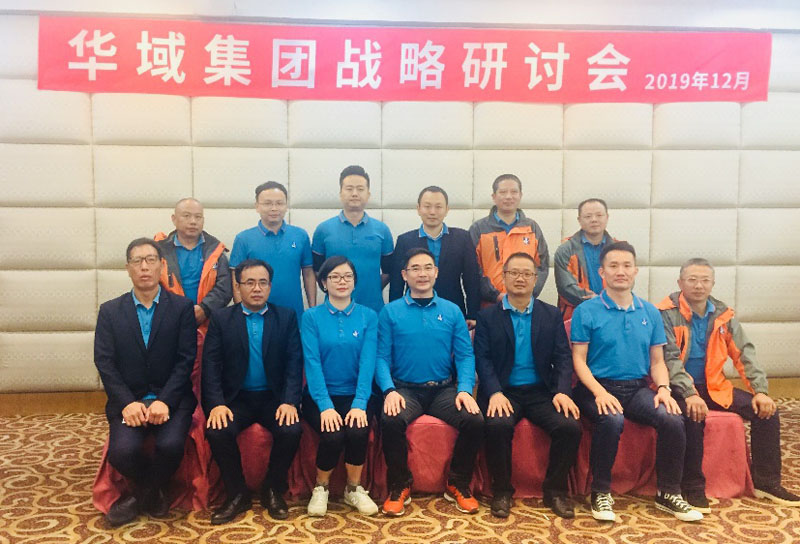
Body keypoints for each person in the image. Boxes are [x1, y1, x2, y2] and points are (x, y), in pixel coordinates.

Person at [571, 241, 702, 523]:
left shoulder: (650, 312)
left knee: (671, 417)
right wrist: (599, 392)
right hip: (595, 387)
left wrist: (664, 389)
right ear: (602, 272)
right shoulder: (586, 310)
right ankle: (600, 491)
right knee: (612, 419)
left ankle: (669, 493)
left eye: (626, 265)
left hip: (636, 388)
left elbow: (657, 361)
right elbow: (579, 360)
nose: (621, 271)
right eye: (613, 266)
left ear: (635, 270)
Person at [657, 257, 800, 511]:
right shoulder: (665, 313)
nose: (698, 285)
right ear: (680, 282)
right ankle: (693, 487)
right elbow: (669, 359)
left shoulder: (723, 315)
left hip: (714, 387)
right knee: (693, 416)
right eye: (692, 280)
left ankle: (767, 482)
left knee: (767, 412)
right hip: (678, 388)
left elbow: (745, 354)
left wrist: (760, 391)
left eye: (705, 280)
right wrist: (689, 393)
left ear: (712, 284)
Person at [94, 238, 197, 527]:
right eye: (137, 261)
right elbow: (105, 362)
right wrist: (126, 403)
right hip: (130, 399)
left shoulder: (181, 308)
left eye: (150, 260)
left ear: (162, 266)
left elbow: (185, 359)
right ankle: (153, 492)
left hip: (172, 399)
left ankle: (138, 498)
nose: (144, 267)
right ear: (128, 268)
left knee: (171, 445)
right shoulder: (110, 311)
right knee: (121, 453)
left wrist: (165, 400)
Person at [376, 248, 484, 516]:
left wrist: (465, 390)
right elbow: (381, 357)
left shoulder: (452, 311)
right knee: (390, 419)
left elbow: (465, 355)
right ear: (404, 275)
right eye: (415, 268)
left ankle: (457, 482)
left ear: (436, 272)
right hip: (404, 389)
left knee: (474, 420)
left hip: (443, 390)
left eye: (427, 267)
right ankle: (400, 484)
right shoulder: (390, 312)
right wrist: (389, 390)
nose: (422, 274)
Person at [474, 252, 582, 519]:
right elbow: (482, 359)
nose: (520, 278)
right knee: (497, 425)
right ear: (504, 277)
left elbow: (562, 357)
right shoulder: (487, 317)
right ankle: (502, 491)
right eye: (514, 273)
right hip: (503, 391)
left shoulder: (550, 314)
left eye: (526, 273)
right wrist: (494, 392)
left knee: (569, 426)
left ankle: (555, 491)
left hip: (541, 392)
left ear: (535, 279)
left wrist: (562, 392)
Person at [202, 259, 303, 524]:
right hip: (236, 399)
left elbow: (294, 363)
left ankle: (273, 488)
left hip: (273, 398)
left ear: (270, 287)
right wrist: (217, 404)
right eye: (249, 283)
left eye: (262, 283)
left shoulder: (286, 317)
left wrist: (290, 401)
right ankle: (237, 493)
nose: (256, 288)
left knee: (291, 429)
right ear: (238, 287)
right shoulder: (222, 319)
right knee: (217, 431)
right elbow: (210, 366)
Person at [302, 256, 379, 517]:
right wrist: (325, 406)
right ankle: (321, 487)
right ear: (324, 283)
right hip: (319, 395)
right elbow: (312, 364)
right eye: (334, 277)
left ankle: (353, 489)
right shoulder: (311, 317)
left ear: (355, 282)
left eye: (347, 276)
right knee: (332, 434)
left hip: (356, 394)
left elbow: (368, 363)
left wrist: (360, 403)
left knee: (357, 430)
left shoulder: (368, 316)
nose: (341, 281)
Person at [155, 198, 232, 393]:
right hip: (170, 322)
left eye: (198, 217)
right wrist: (177, 313)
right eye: (186, 216)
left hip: (208, 322)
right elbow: (152, 285)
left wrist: (204, 309)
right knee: (172, 373)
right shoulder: (158, 250)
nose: (193, 221)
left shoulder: (216, 250)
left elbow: (225, 287)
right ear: (174, 219)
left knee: (208, 375)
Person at [389, 186, 481, 328]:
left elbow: (471, 278)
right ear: (418, 209)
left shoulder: (462, 238)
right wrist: (393, 313)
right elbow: (397, 282)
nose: (432, 212)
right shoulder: (405, 240)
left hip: (453, 309)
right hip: (413, 310)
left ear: (447, 209)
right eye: (427, 206)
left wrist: (473, 314)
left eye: (438, 207)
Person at [312, 165, 393, 313]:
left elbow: (388, 272)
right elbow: (317, 272)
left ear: (368, 194)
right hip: (334, 311)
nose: (355, 193)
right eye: (349, 189)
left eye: (360, 189)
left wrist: (370, 288)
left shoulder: (382, 230)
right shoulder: (323, 230)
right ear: (340, 193)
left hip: (373, 309)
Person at [230, 181, 316, 319]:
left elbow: (308, 273)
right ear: (257, 206)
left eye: (279, 203)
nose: (274, 208)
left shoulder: (300, 235)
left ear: (286, 206)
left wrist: (313, 309)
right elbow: (236, 280)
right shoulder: (243, 239)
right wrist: (241, 315)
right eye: (267, 203)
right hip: (255, 315)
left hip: (293, 313)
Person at [469, 174, 549, 304]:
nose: (508, 197)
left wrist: (526, 293)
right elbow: (473, 269)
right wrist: (495, 295)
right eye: (503, 192)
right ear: (494, 197)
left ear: (520, 195)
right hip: (489, 304)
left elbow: (542, 266)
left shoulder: (532, 227)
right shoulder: (479, 229)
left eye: (514, 192)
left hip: (524, 303)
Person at [554, 198, 615, 321]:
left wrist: (606, 300)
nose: (594, 219)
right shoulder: (566, 250)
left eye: (599, 215)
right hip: (576, 315)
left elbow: (626, 280)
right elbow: (565, 287)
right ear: (579, 220)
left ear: (607, 217)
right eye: (588, 216)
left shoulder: (618, 249)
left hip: (612, 312)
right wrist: (597, 301)